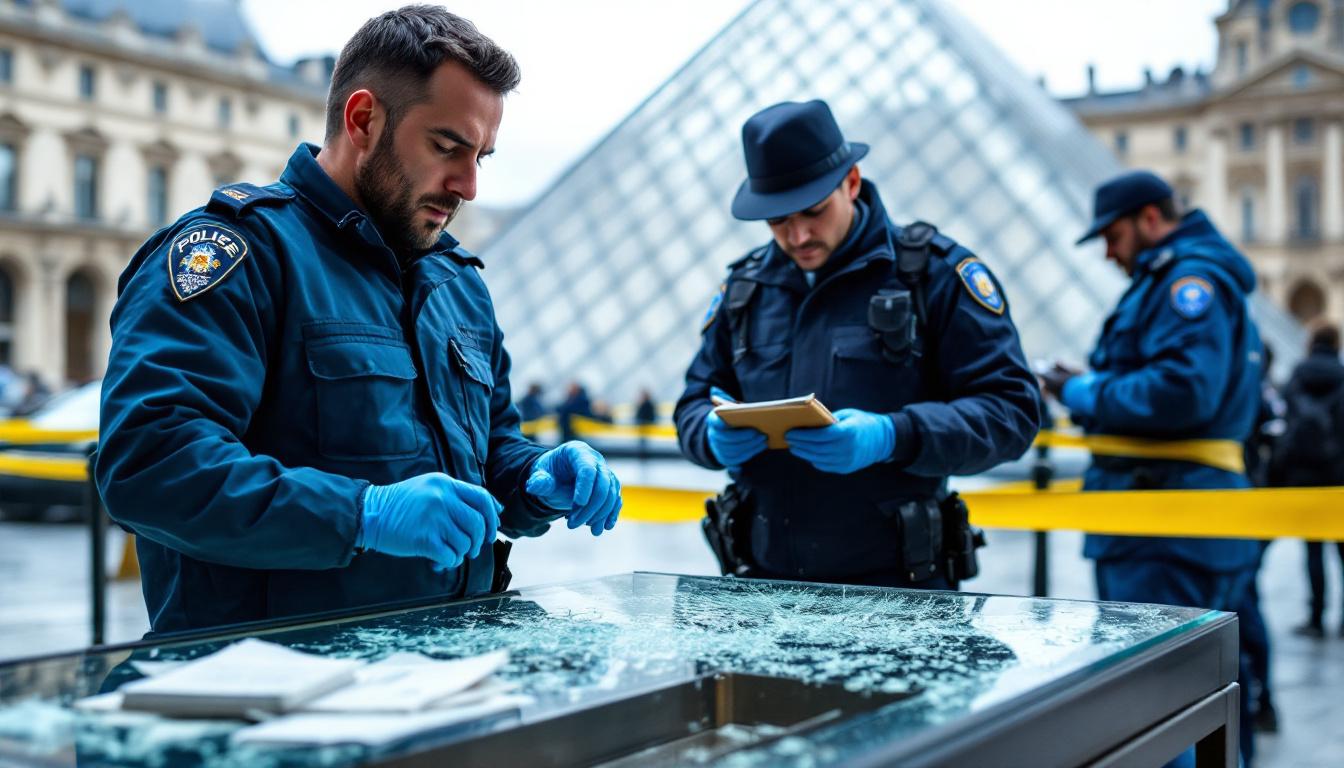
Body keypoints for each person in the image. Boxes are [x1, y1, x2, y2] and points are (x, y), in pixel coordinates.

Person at [95, 6, 622, 635]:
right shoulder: (240, 254)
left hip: (445, 679)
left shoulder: (457, 282)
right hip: (268, 691)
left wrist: (535, 479)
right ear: (364, 120)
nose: (469, 185)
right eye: (448, 147)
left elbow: (489, 452)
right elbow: (151, 464)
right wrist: (362, 515)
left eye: (482, 156)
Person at [674, 100, 1041, 589]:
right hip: (760, 588)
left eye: (813, 211)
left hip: (903, 596)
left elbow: (1011, 412)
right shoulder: (743, 291)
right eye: (778, 221)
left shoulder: (933, 275)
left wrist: (895, 435)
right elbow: (694, 401)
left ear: (851, 182)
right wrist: (708, 433)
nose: (797, 234)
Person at [1041, 170, 1263, 762]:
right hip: (1171, 522)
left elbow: (1184, 392)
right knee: (1201, 706)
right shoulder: (1180, 277)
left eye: (1112, 236)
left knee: (1161, 714)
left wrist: (1084, 390)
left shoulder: (1185, 282)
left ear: (1149, 219)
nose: (1109, 253)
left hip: (1163, 529)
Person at [1271, 322, 1344, 639]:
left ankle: (1316, 616)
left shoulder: (1298, 376)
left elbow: (1285, 422)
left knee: (1312, 551)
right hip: (1340, 476)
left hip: (1305, 475)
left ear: (1310, 343)